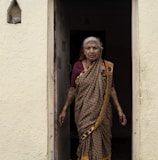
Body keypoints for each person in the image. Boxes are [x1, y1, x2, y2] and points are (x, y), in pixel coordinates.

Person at [58, 36, 127, 160]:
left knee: (103, 142)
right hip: (84, 113)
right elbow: (72, 90)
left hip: (102, 113)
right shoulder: (77, 67)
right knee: (86, 141)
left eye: (95, 48)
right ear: (83, 51)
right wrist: (64, 109)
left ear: (100, 50)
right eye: (88, 48)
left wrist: (119, 110)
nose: (91, 51)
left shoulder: (107, 67)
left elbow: (111, 90)